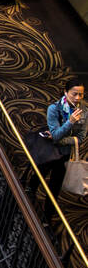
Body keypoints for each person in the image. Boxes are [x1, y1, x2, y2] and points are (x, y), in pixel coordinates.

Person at [29, 78, 88, 206]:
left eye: (81, 94)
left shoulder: (84, 111)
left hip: (65, 154)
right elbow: (55, 134)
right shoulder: (54, 109)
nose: (78, 98)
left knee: (55, 187)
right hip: (49, 151)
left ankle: (47, 216)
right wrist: (70, 122)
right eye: (74, 94)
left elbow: (81, 138)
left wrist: (62, 140)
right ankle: (26, 202)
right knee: (38, 177)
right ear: (66, 92)